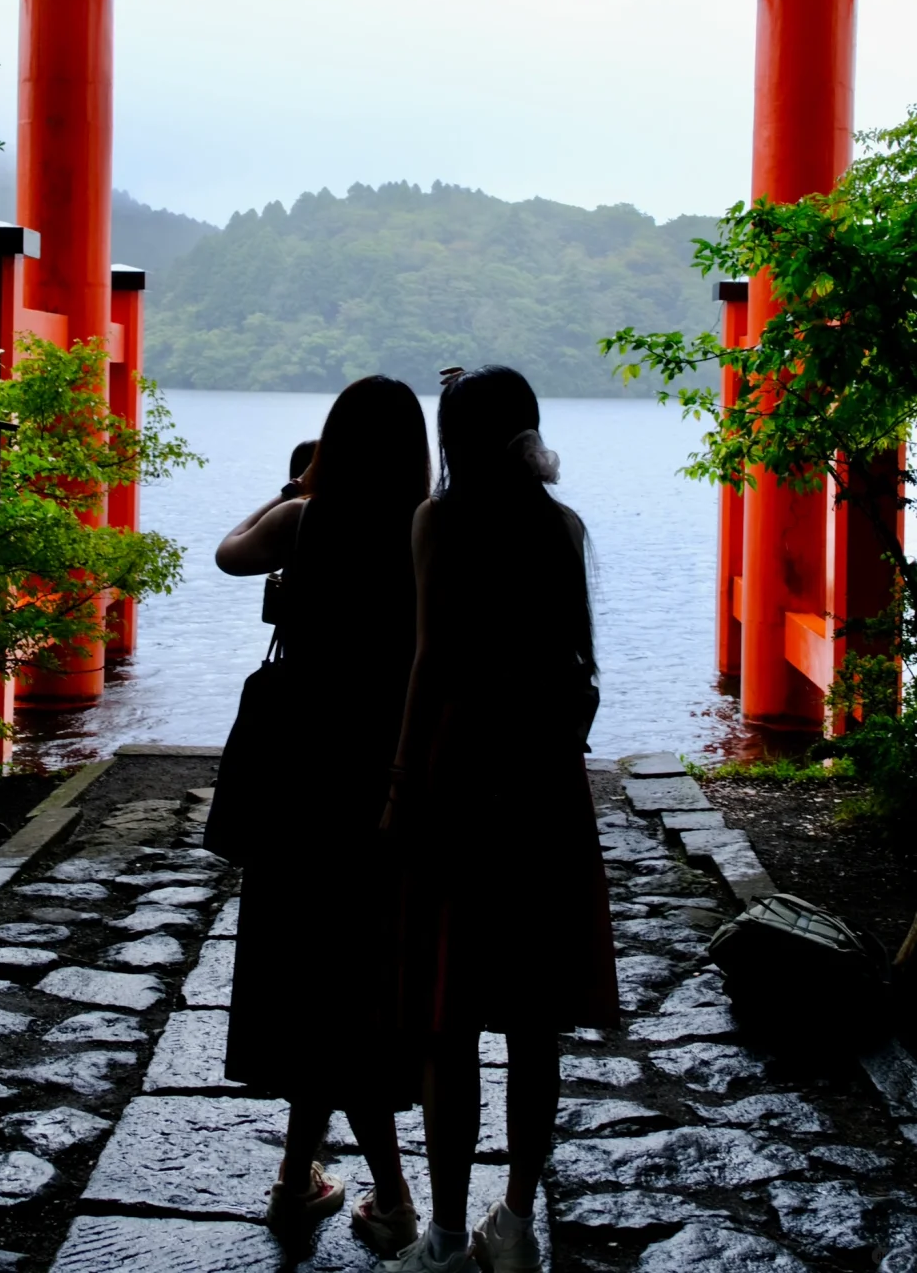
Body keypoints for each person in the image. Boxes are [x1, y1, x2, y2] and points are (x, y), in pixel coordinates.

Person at [382, 365, 619, 1273]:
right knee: (532, 1019)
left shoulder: (438, 521)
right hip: (545, 780)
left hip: (459, 772)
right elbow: (580, 667)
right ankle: (515, 1225)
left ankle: (444, 1236)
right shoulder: (562, 527)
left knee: (449, 1015)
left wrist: (401, 780)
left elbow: (431, 662)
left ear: (454, 437)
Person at [215, 376, 432, 1256]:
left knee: (309, 973)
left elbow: (230, 554)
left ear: (332, 444)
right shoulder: (427, 529)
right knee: (363, 982)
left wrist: (297, 489)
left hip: (298, 774)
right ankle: (332, 1184)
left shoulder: (305, 521)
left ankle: (353, 1186)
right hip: (387, 769)